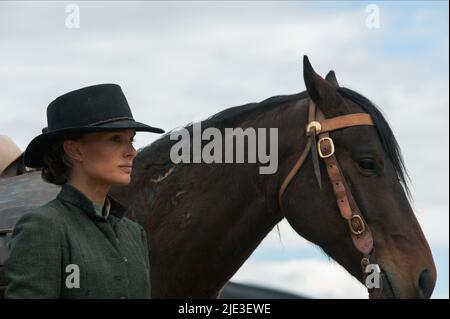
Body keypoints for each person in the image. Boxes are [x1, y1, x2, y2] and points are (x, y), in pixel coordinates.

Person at [3, 84, 164, 298]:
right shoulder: (43, 227)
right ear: (75, 150)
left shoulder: (134, 234)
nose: (132, 152)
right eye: (116, 139)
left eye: (131, 139)